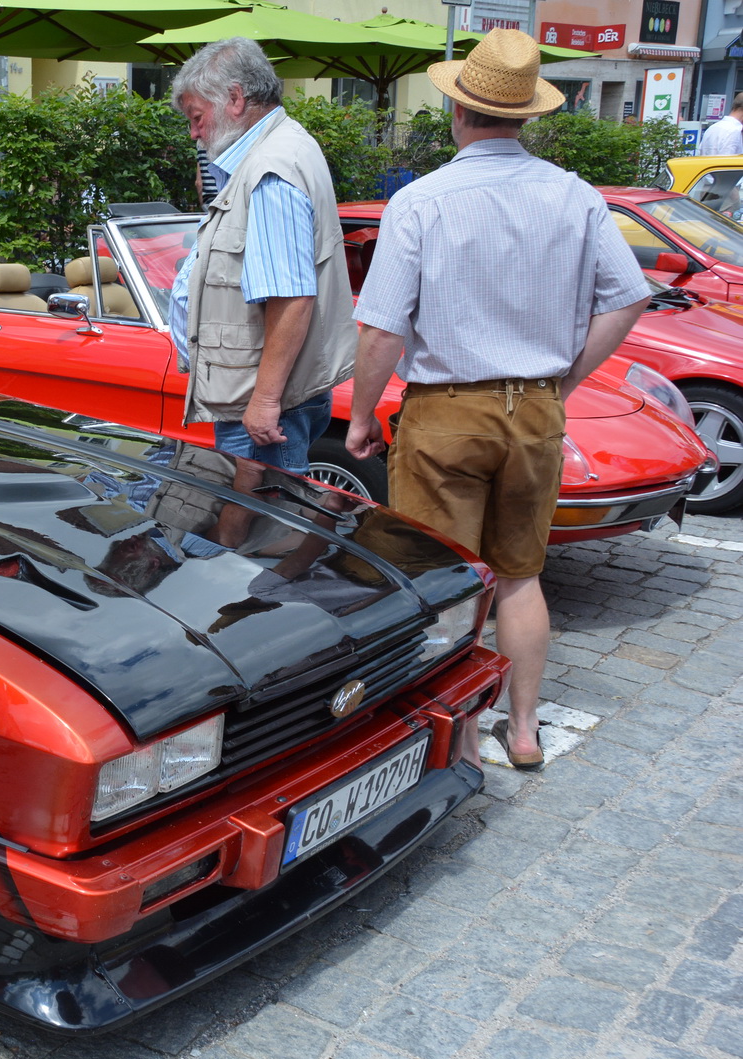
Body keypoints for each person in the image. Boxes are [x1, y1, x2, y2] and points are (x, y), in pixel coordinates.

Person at [344, 28, 648, 771]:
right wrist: (565, 380)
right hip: (536, 406)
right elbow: (628, 297)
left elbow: (382, 329)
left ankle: (457, 738)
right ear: (527, 116)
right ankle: (523, 730)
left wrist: (358, 417)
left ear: (457, 111)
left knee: (444, 578)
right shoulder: (575, 195)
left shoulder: (420, 201)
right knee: (519, 573)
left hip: (447, 408)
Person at [165, 38, 355, 475]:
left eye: (197, 118)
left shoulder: (271, 167)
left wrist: (265, 401)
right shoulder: (279, 148)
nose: (193, 133)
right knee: (256, 534)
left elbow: (291, 297)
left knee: (266, 538)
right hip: (266, 398)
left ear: (234, 98)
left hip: (263, 406)